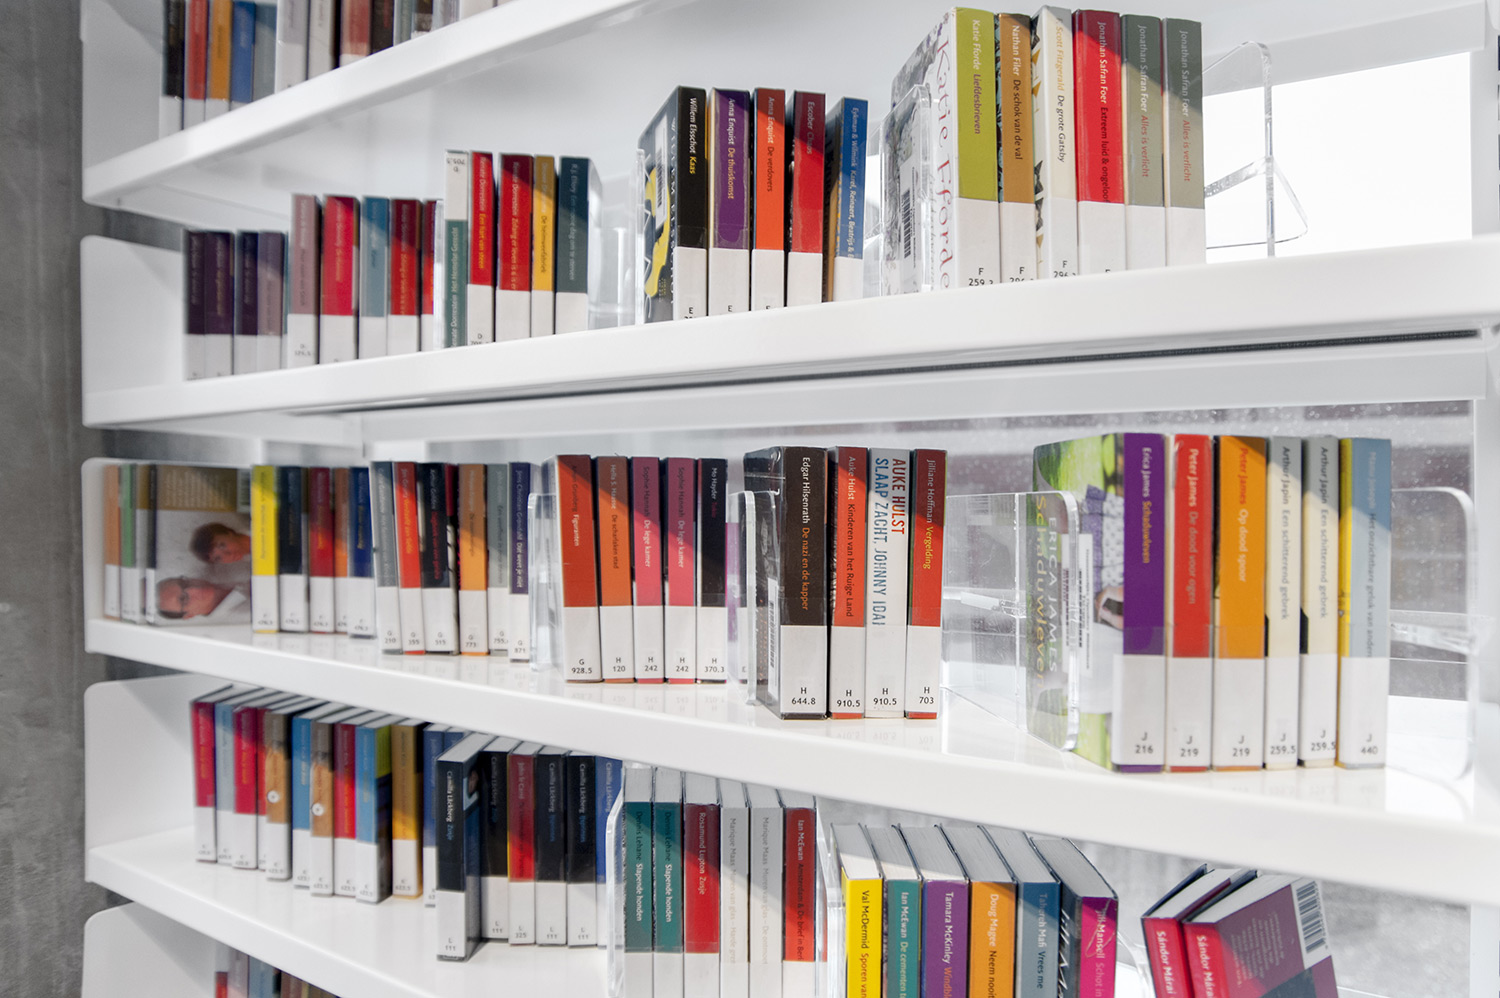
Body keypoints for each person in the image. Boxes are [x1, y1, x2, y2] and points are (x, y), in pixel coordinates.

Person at [155, 576, 249, 623]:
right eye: (184, 599)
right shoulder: (240, 618)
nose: (194, 589)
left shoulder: (225, 569)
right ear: (189, 615)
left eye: (185, 583)